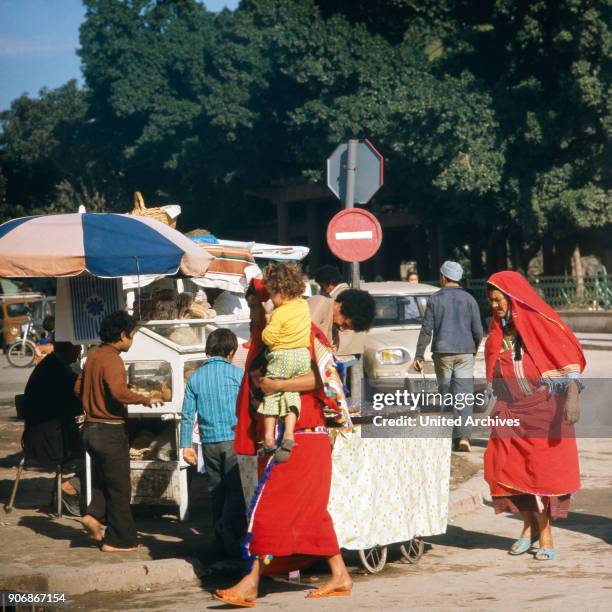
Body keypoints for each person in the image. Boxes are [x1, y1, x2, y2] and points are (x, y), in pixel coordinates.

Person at [213, 279, 353, 607]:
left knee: (266, 508)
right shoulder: (268, 341)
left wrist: (278, 385)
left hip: (303, 439)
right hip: (284, 441)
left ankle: (250, 582)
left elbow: (325, 379)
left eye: (254, 307)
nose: (252, 316)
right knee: (309, 514)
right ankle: (340, 574)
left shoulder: (305, 333)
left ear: (273, 303)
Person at [484, 271, 584, 560]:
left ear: (513, 299)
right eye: (491, 301)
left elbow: (570, 367)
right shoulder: (499, 334)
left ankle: (547, 534)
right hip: (510, 412)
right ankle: (527, 529)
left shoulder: (540, 328)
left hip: (544, 412)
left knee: (542, 475)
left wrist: (573, 400)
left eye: (499, 300)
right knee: (507, 470)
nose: (495, 306)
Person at [75, 311, 157, 552]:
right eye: (131, 336)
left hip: (90, 430)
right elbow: (118, 392)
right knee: (120, 488)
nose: (132, 340)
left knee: (104, 480)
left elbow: (78, 387)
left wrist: (93, 401)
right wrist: (144, 398)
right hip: (110, 431)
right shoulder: (113, 359)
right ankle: (119, 541)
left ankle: (93, 515)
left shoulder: (93, 355)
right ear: (122, 335)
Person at [180, 328, 245, 558]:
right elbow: (248, 407)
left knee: (216, 491)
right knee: (236, 491)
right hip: (233, 440)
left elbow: (187, 414)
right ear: (230, 351)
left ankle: (220, 543)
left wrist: (186, 445)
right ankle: (228, 528)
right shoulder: (237, 375)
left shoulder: (196, 377)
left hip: (208, 443)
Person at [412, 261, 483, 451]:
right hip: (465, 352)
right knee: (464, 394)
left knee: (446, 393)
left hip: (442, 353)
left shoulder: (435, 299)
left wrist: (419, 354)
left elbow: (427, 329)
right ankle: (463, 437)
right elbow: (478, 330)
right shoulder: (470, 299)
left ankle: (450, 434)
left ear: (443, 277)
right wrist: (474, 348)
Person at [22, 341, 83, 516]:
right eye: (76, 346)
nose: (79, 349)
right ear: (66, 347)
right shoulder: (56, 369)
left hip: (42, 434)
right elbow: (73, 402)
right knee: (98, 453)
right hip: (47, 440)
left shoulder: (54, 365)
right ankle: (68, 488)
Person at [259, 262, 312, 462]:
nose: (271, 298)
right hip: (301, 356)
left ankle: (269, 438)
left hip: (282, 356)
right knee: (291, 393)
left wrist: (267, 318)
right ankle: (289, 434)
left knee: (271, 394)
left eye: (272, 294)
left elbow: (268, 339)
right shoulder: (303, 305)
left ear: (280, 290)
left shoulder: (279, 313)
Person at [308, 288, 376, 348]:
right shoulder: (322, 303)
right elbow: (306, 336)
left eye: (347, 328)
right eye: (344, 324)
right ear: (341, 306)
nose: (342, 329)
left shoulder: (334, 332)